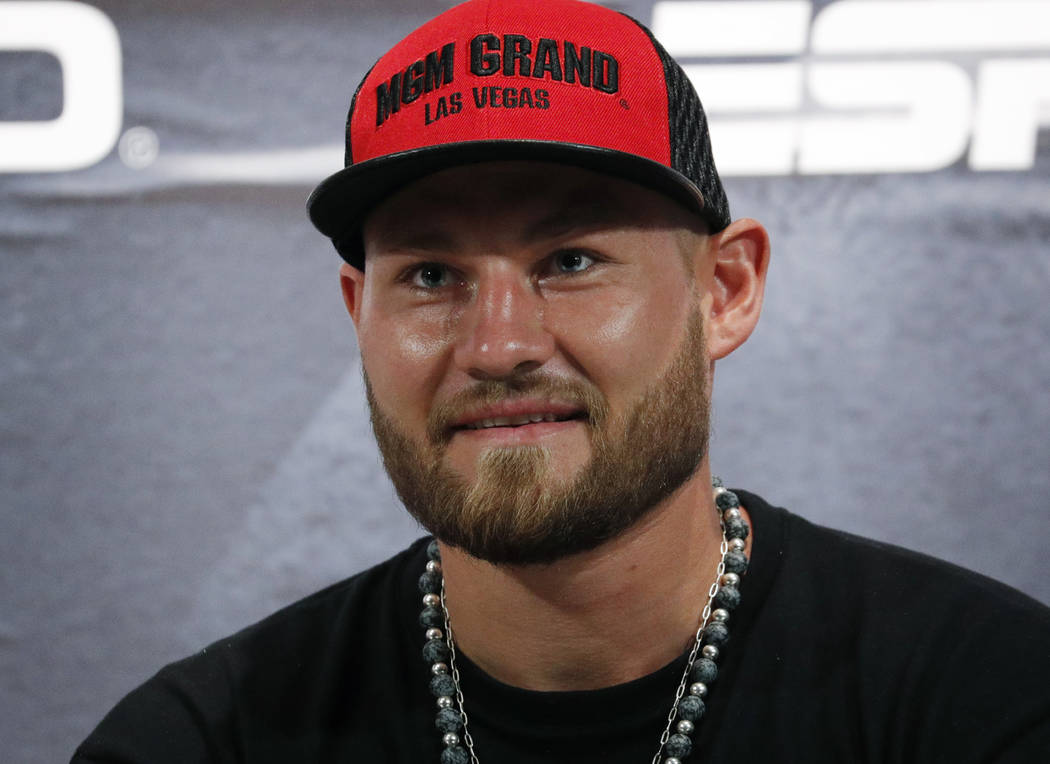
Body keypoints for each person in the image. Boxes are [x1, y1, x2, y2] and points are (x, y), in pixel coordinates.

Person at [73, 1, 1050, 762]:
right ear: (357, 313)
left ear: (726, 289)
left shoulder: (987, 698)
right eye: (430, 275)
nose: (499, 345)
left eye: (571, 259)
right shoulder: (202, 738)